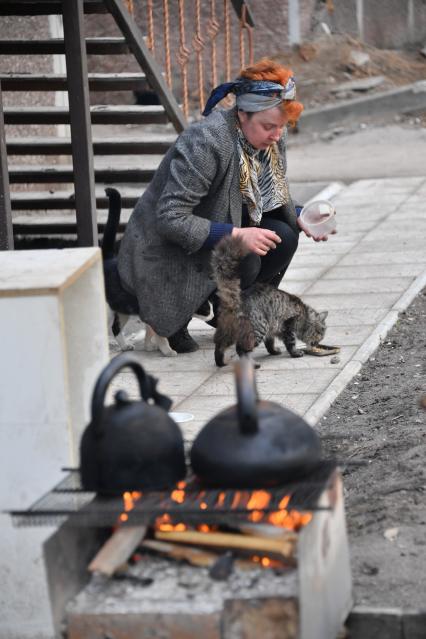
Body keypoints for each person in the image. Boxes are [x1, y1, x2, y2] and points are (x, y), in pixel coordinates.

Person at [117, 58, 332, 353]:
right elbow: (170, 217)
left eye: (282, 127)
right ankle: (185, 310)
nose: (277, 135)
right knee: (247, 254)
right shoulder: (206, 142)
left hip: (214, 229)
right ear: (243, 113)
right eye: (269, 126)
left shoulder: (267, 138)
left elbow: (266, 197)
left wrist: (300, 215)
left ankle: (229, 312)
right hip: (166, 249)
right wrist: (236, 234)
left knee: (284, 235)